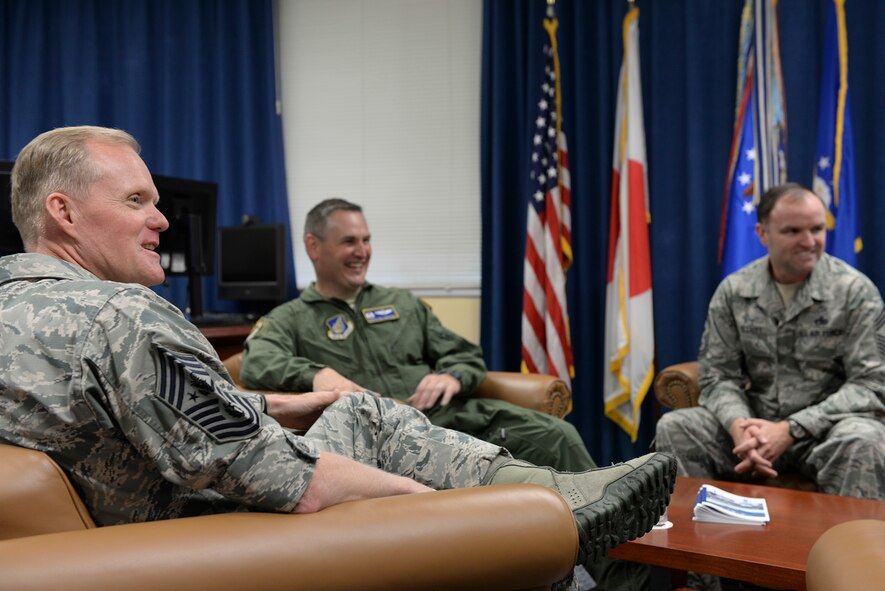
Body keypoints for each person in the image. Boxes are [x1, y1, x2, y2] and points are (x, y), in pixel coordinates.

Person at [0, 126, 675, 587]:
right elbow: (271, 471)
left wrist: (274, 404)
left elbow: (144, 410)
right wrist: (432, 503)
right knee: (365, 415)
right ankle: (555, 507)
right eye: (136, 201)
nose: (162, 219)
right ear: (64, 211)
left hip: (126, 529)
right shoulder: (122, 314)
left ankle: (561, 507)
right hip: (218, 532)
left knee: (356, 412)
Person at [239, 198, 596, 474]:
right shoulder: (290, 318)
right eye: (349, 242)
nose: (362, 251)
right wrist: (317, 374)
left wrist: (451, 376)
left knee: (557, 437)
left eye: (366, 240)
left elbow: (465, 355)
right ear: (313, 246)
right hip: (387, 438)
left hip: (452, 417)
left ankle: (617, 542)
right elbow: (257, 360)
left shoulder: (402, 303)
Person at [656, 182, 885, 499]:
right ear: (762, 233)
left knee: (865, 440)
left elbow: (871, 384)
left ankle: (853, 534)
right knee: (676, 426)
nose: (809, 242)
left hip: (826, 432)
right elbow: (717, 375)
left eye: (817, 229)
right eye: (793, 231)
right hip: (754, 427)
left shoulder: (854, 292)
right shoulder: (735, 291)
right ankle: (695, 531)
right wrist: (739, 426)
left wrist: (792, 428)